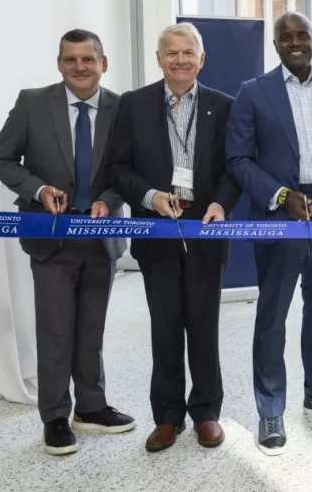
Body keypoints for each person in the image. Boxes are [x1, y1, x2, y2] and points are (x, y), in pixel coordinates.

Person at [0, 29, 135, 456]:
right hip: (50, 237)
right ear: (59, 64)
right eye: (70, 60)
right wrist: (38, 190)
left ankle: (91, 407)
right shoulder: (33, 103)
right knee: (55, 330)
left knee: (92, 328)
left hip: (101, 238)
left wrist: (109, 200)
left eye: (88, 59)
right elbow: (1, 160)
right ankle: (54, 415)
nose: (80, 67)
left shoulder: (121, 108)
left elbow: (127, 168)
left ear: (103, 64)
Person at [226, 12, 312, 456]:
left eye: (303, 35)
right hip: (280, 213)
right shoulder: (252, 93)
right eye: (287, 37)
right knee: (273, 315)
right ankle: (270, 408)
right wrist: (281, 195)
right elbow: (239, 159)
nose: (296, 42)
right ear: (277, 45)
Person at [107, 23, 241, 452]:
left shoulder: (224, 106)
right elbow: (118, 169)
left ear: (201, 59)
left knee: (203, 327)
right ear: (159, 58)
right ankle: (167, 416)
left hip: (206, 232)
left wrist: (220, 204)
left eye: (189, 53)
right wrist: (149, 196)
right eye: (171, 52)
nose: (180, 60)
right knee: (165, 328)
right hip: (157, 234)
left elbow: (232, 169)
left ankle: (206, 412)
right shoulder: (133, 105)